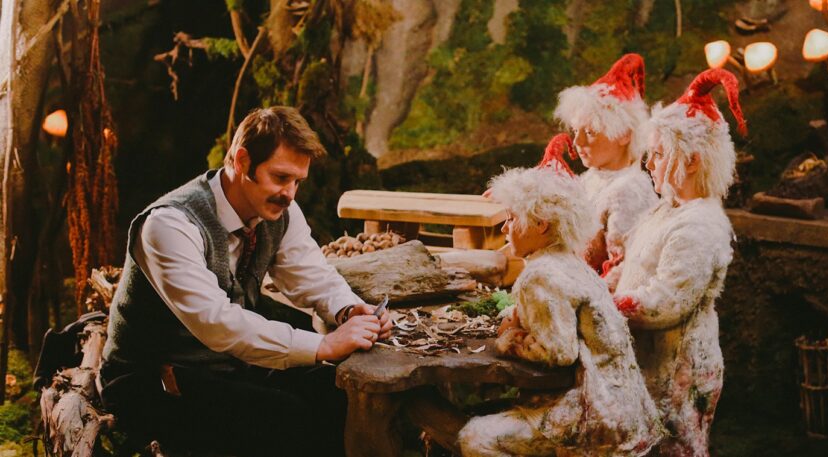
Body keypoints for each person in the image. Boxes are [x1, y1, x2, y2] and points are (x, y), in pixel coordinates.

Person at [100, 107, 392, 456]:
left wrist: (349, 310)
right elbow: (216, 323)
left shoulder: (278, 211)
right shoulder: (170, 224)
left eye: (298, 181)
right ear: (242, 161)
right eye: (280, 177)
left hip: (226, 368)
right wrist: (323, 346)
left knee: (337, 395)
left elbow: (312, 274)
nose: (290, 193)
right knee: (285, 418)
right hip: (151, 380)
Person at [457, 164, 662, 456]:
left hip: (595, 414)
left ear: (541, 224)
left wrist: (509, 338)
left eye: (512, 218)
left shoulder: (539, 275)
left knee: (475, 436)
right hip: (625, 406)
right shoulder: (571, 263)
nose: (504, 228)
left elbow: (559, 351)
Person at [610, 68, 746, 456]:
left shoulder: (699, 225)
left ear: (692, 160)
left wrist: (604, 305)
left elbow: (664, 302)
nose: (649, 164)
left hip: (679, 371)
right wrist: (610, 279)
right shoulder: (667, 208)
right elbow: (639, 266)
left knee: (678, 449)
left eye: (658, 154)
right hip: (653, 362)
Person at [550, 53, 659, 276]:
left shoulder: (629, 192)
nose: (578, 142)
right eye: (576, 131)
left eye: (590, 132)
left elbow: (623, 274)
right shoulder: (591, 177)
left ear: (624, 134)